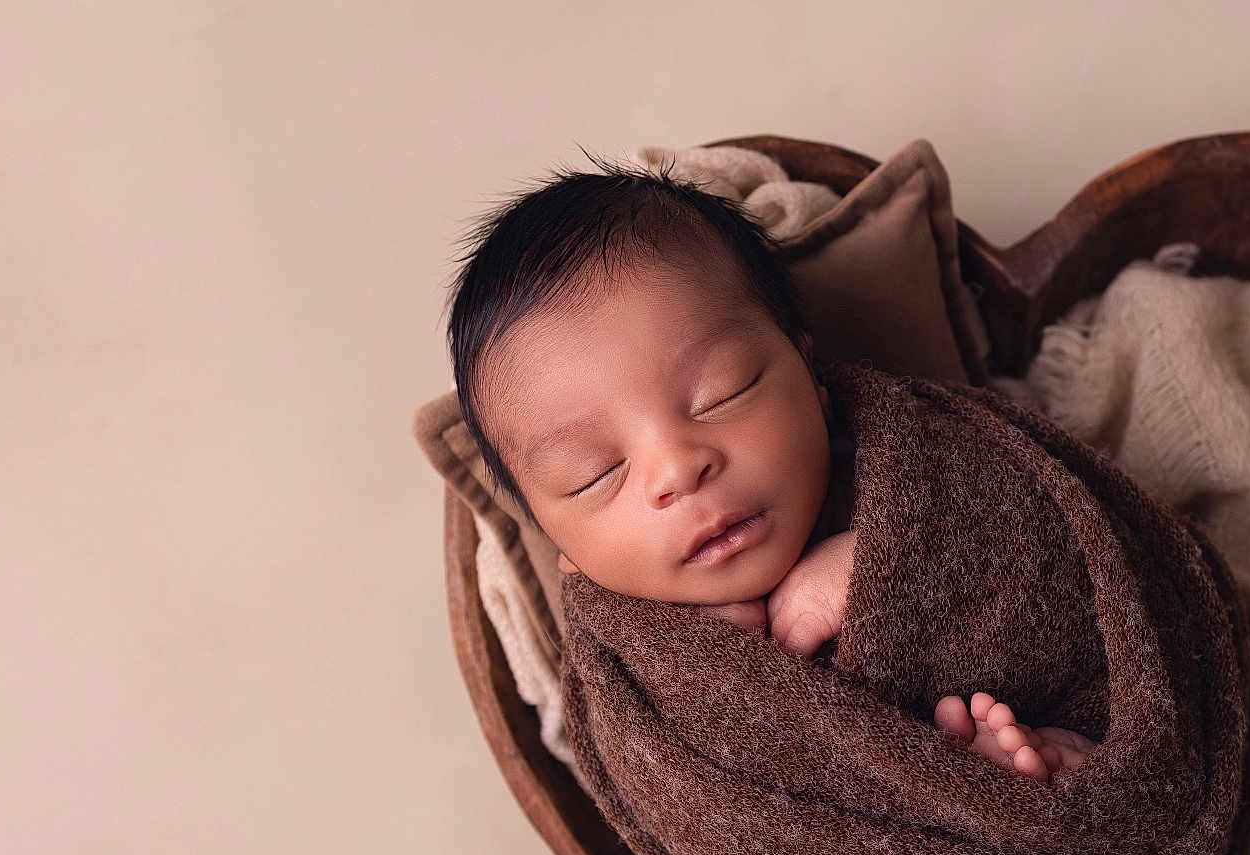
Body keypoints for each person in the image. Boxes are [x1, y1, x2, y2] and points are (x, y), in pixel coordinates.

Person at [446, 157, 1096, 779]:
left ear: (808, 376)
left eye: (721, 393)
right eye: (594, 473)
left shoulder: (927, 457)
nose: (677, 468)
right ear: (565, 552)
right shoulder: (636, 693)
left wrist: (895, 562)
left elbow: (1075, 536)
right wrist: (708, 678)